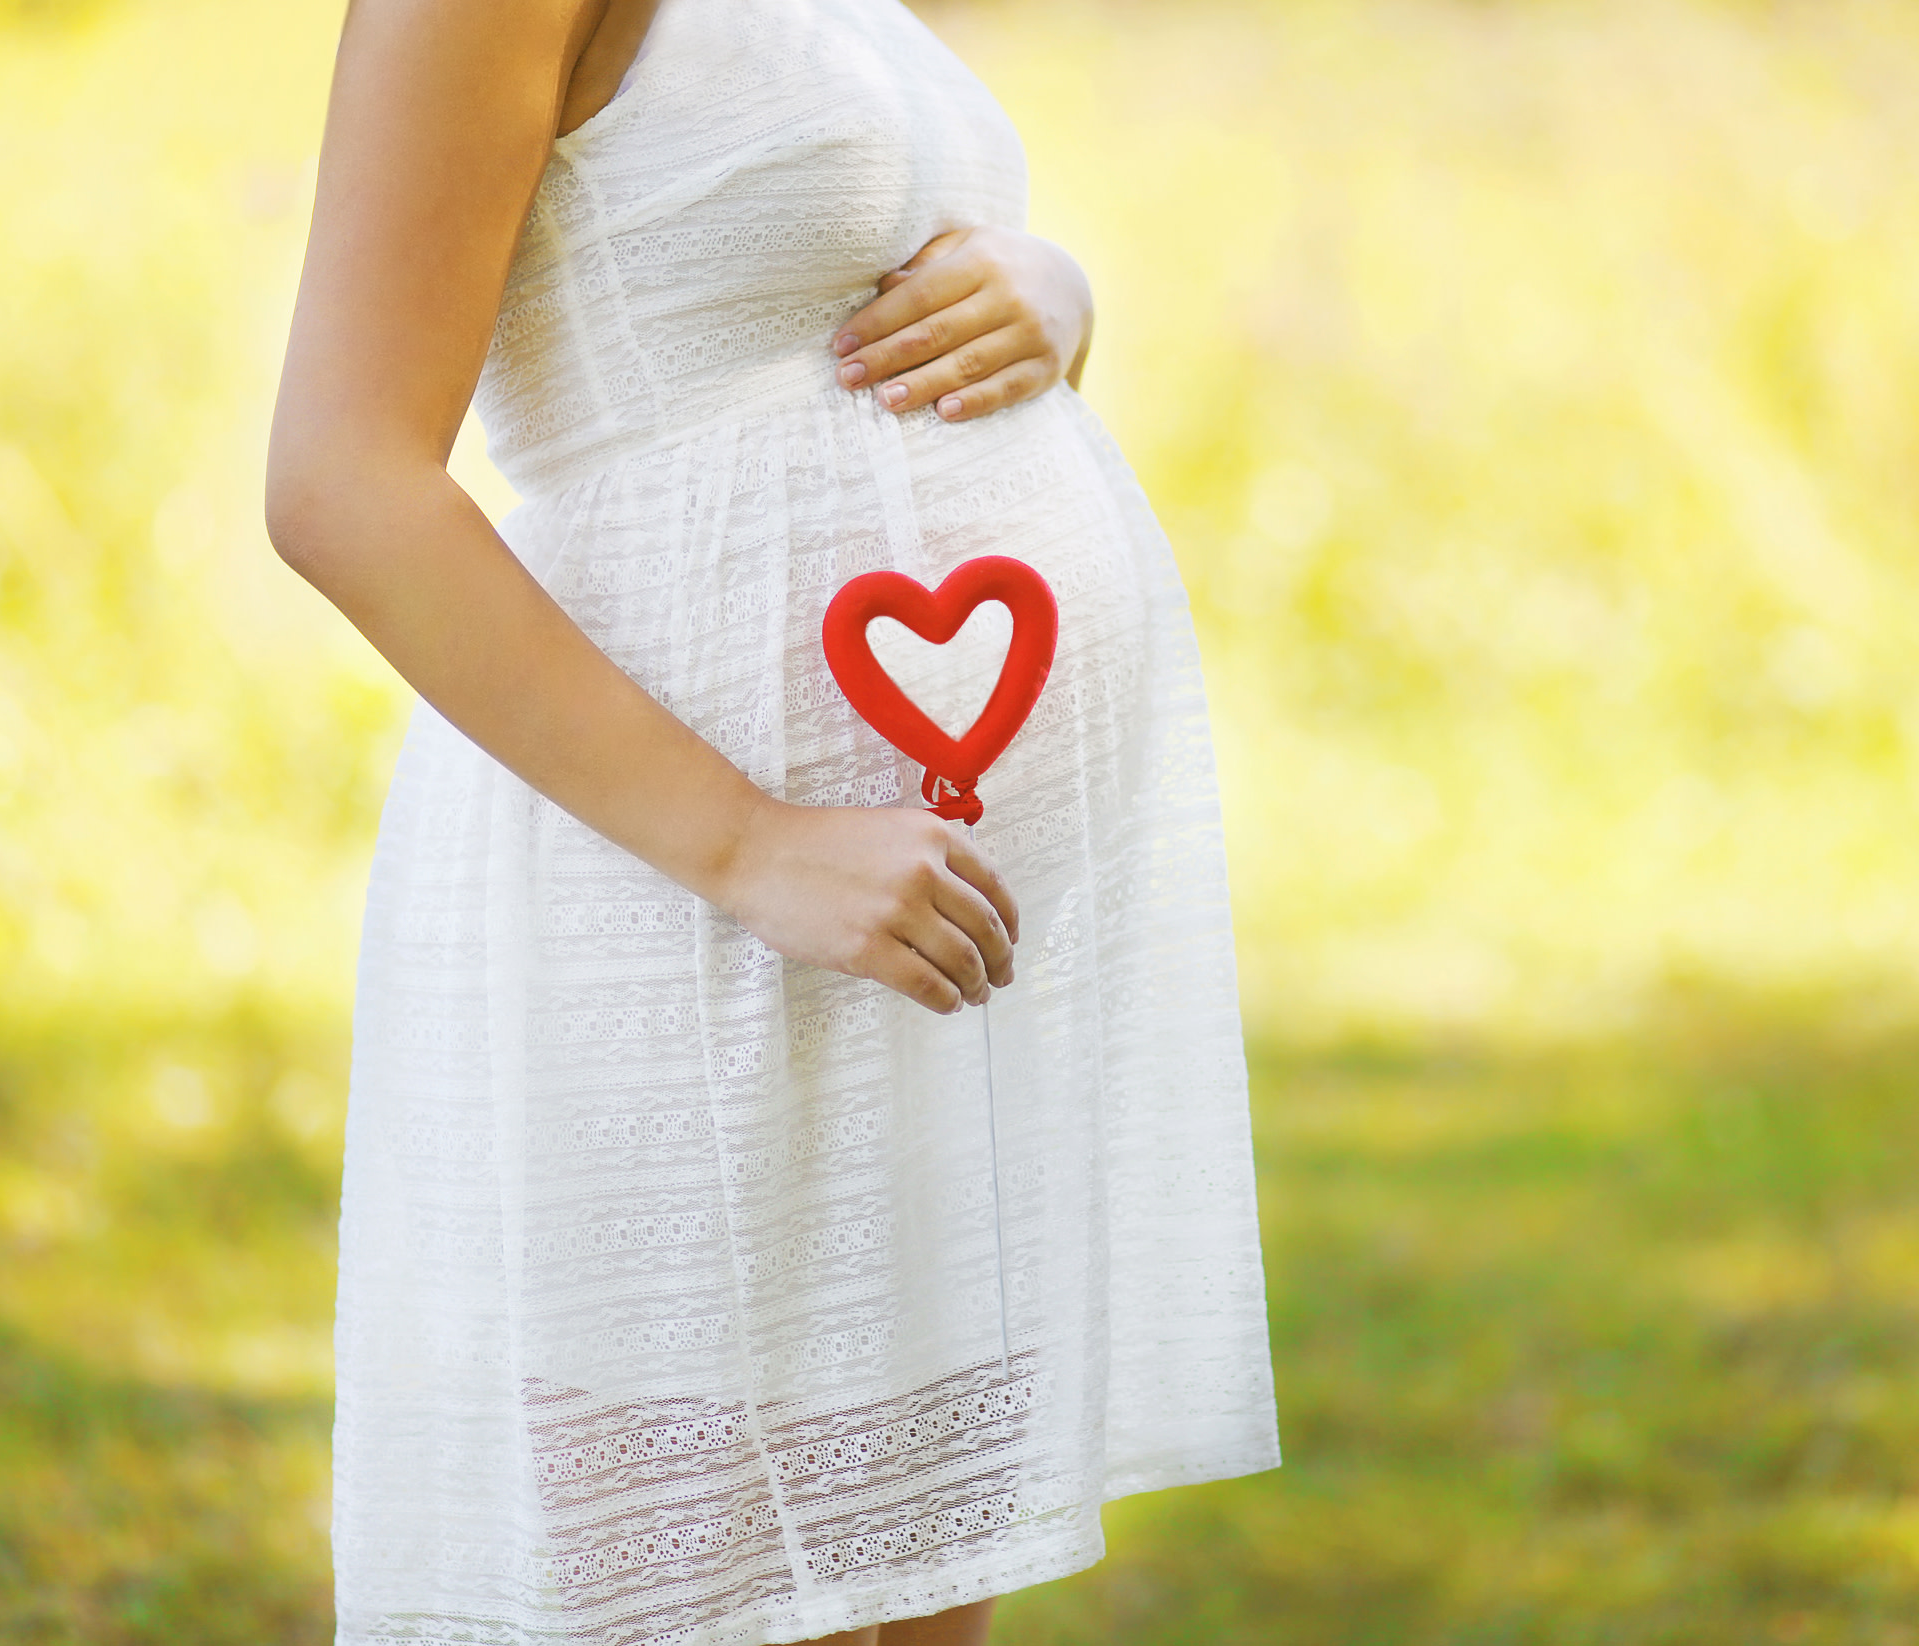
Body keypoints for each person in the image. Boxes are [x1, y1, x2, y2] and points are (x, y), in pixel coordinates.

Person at [265, 0, 1278, 1640]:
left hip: (914, 939)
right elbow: (339, 478)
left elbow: (804, 288)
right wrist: (747, 841)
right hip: (677, 888)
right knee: (701, 1588)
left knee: (914, 1581)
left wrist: (1052, 293)